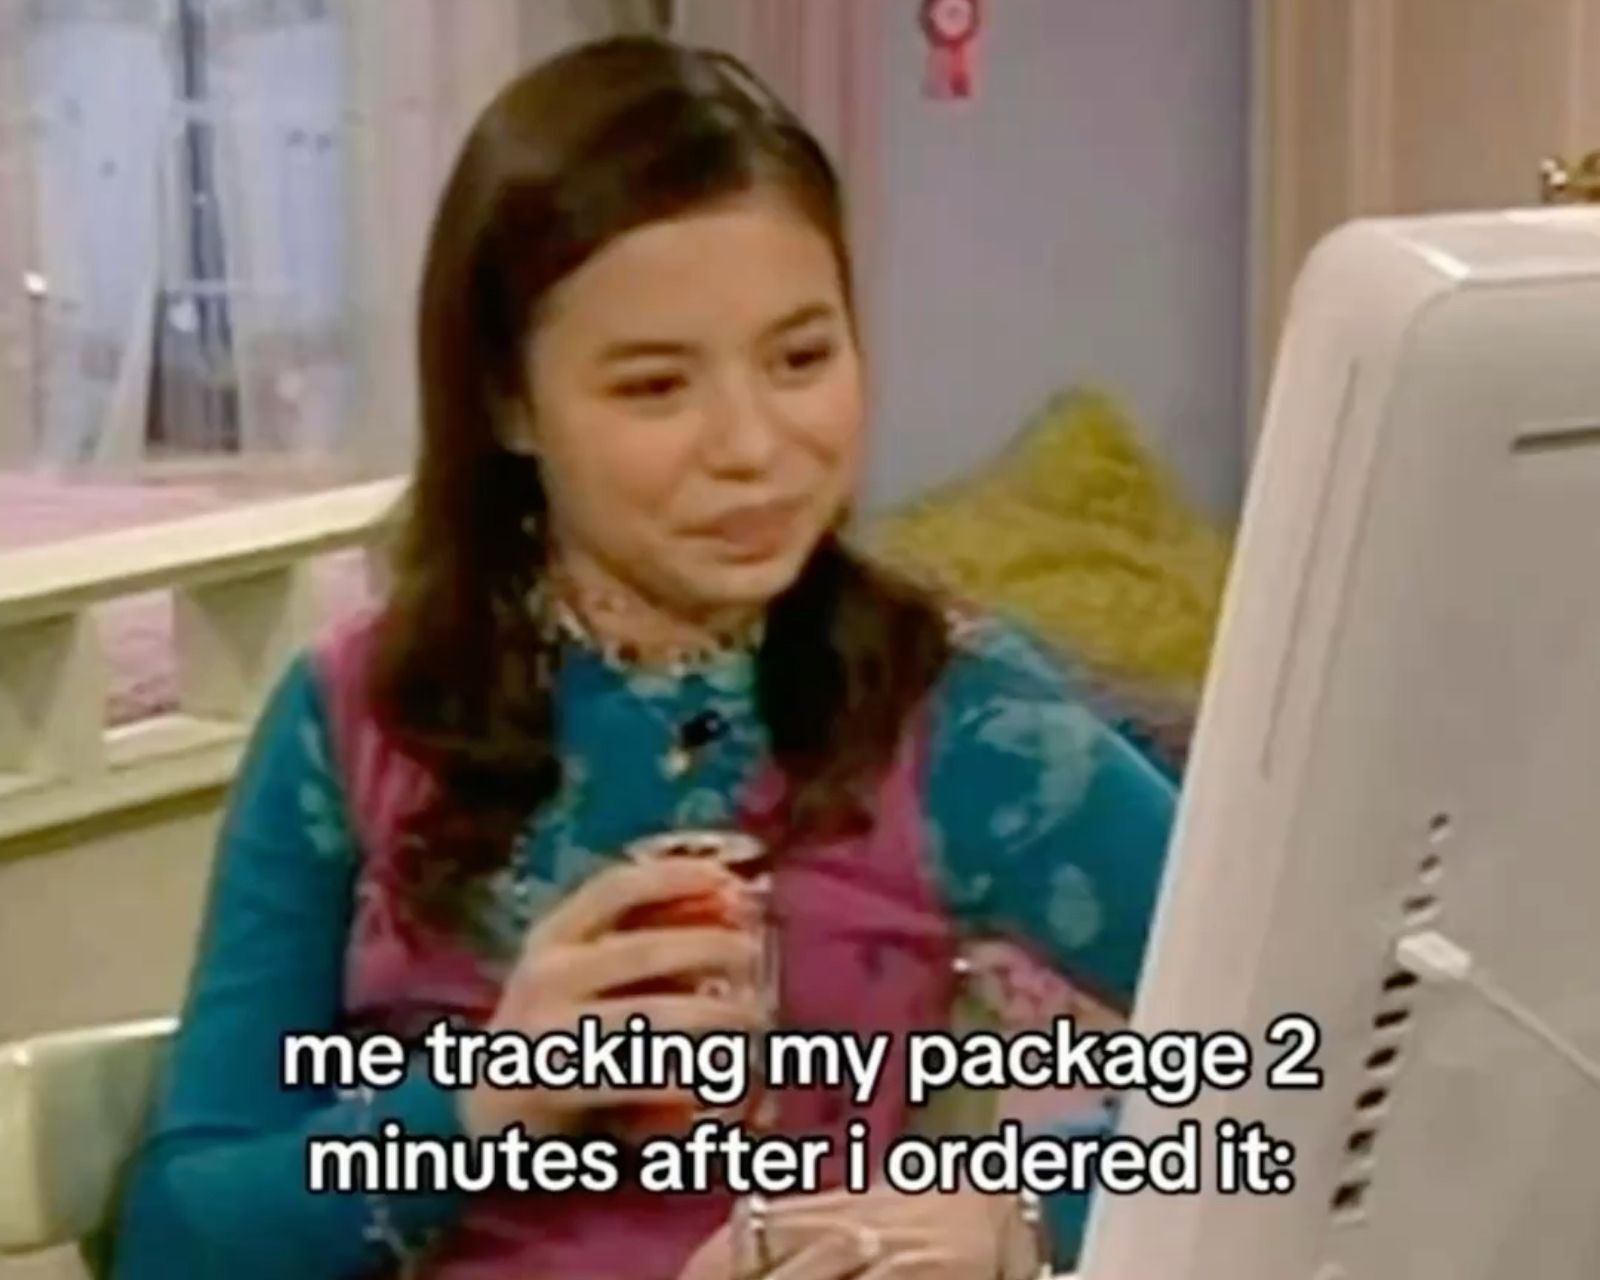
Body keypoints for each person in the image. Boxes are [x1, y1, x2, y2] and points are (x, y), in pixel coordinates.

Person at [112, 34, 1176, 1280]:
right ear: (510, 402)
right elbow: (175, 1243)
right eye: (657, 387)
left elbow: (1321, 1058)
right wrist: (488, 1099)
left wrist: (1020, 1209)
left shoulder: (955, 718)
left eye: (801, 358)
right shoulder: (359, 716)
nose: (753, 445)